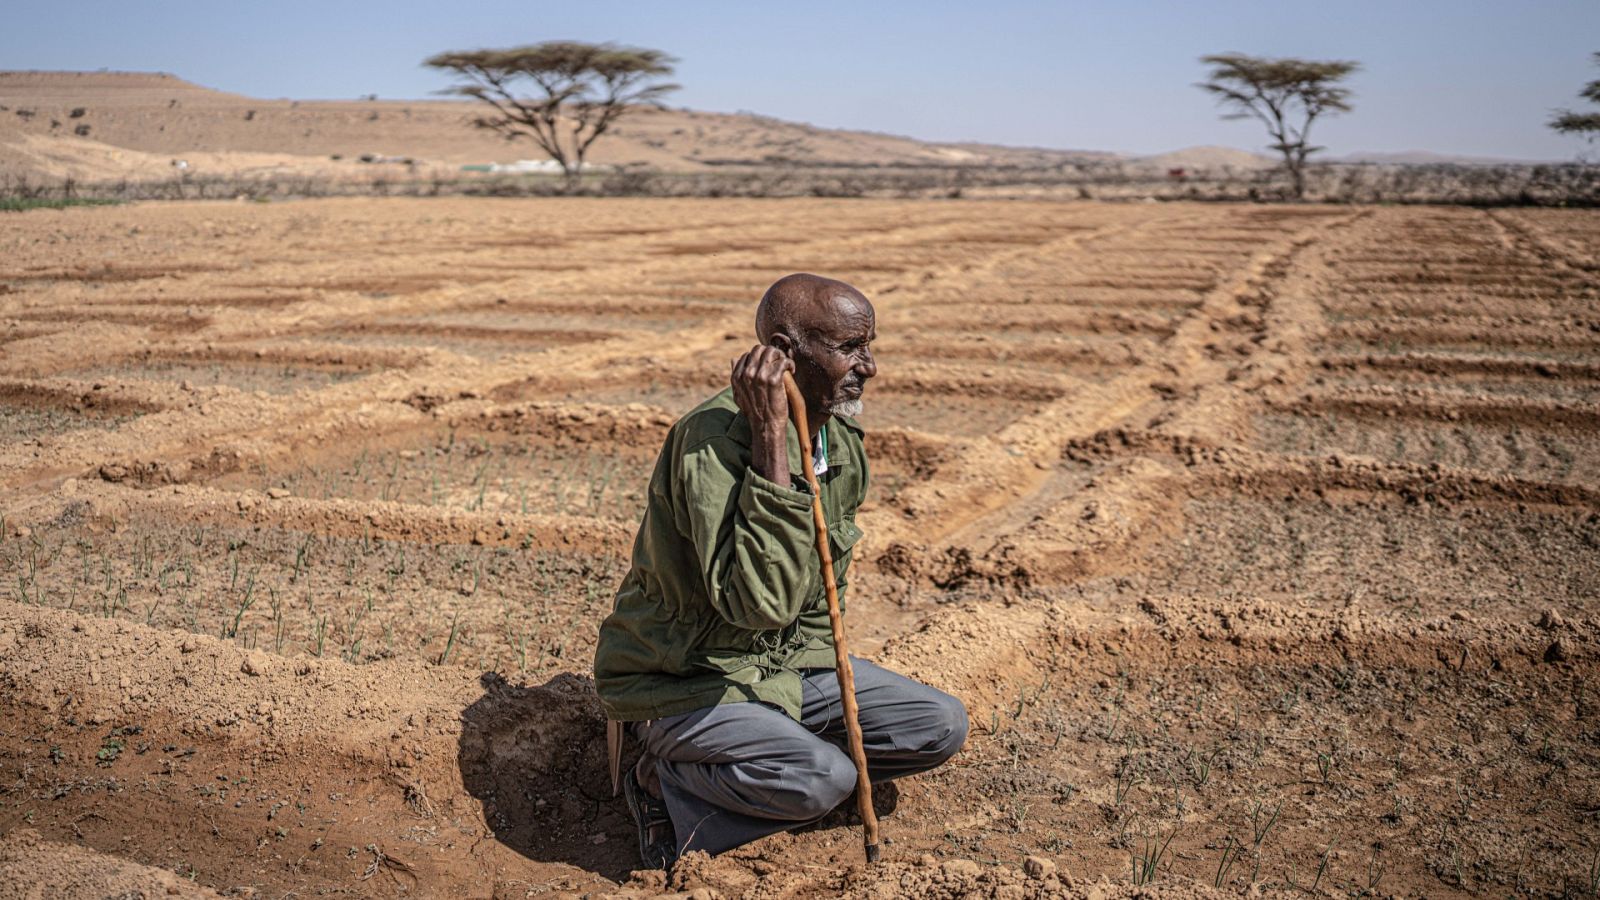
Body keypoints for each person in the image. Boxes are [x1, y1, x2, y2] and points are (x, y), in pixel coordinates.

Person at [592, 273, 969, 869]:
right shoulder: (711, 442)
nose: (868, 366)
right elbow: (758, 606)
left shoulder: (840, 439)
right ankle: (663, 778)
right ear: (784, 354)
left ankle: (766, 752)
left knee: (937, 724)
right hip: (683, 678)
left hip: (786, 669)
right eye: (849, 348)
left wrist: (804, 693)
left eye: (868, 346)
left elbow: (822, 598)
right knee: (822, 778)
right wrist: (771, 438)